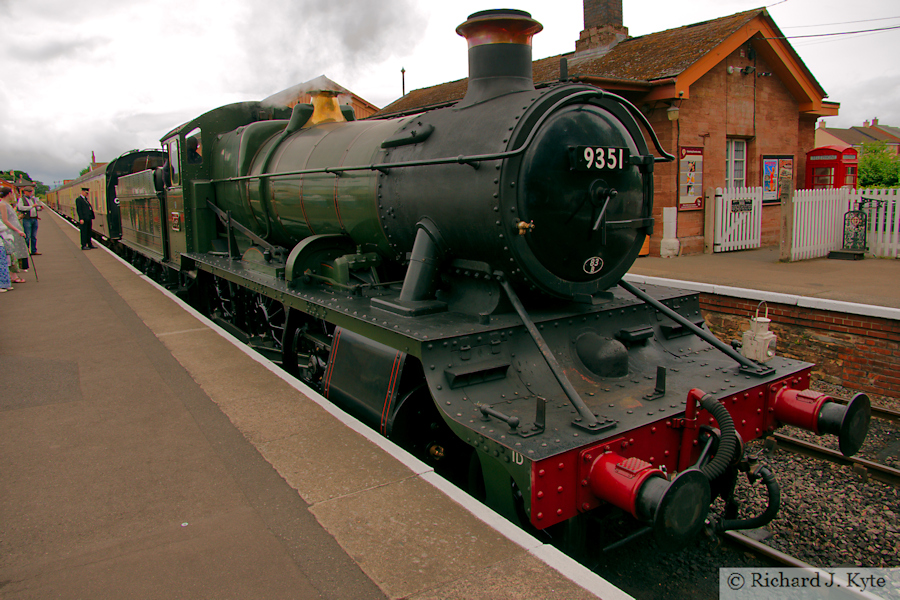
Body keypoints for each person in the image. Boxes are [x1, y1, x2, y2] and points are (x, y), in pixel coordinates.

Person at [0, 187, 28, 283]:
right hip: (10, 232)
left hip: (14, 231)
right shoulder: (3, 204)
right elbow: (5, 220)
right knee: (12, 254)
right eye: (12, 193)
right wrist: (17, 230)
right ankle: (13, 276)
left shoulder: (7, 204)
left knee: (14, 254)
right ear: (9, 194)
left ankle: (13, 275)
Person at [16, 184, 42, 255]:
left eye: (31, 191)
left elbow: (36, 208)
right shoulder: (21, 199)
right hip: (27, 219)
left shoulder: (33, 199)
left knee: (33, 236)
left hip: (34, 219)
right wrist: (31, 206)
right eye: (29, 191)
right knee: (27, 236)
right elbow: (20, 208)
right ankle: (26, 251)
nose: (30, 193)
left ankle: (34, 250)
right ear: (25, 192)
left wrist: (39, 208)